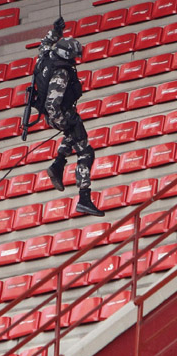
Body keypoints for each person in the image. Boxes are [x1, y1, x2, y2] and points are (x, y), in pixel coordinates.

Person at [34, 17, 104, 217]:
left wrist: (56, 30)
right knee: (86, 152)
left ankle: (58, 165)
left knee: (73, 134)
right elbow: (52, 103)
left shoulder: (46, 56)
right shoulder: (61, 72)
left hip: (56, 113)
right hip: (60, 113)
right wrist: (63, 121)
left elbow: (45, 43)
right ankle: (84, 197)